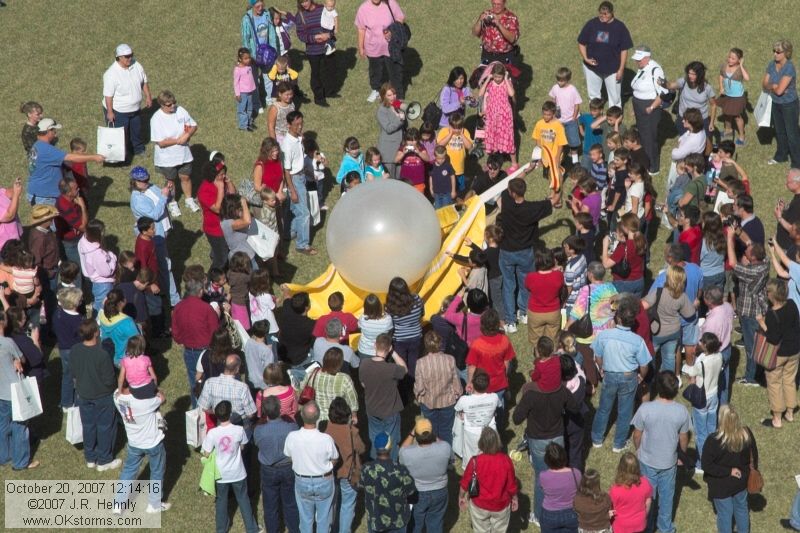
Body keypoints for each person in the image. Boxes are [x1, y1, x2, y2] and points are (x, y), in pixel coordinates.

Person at [513, 360, 580, 526]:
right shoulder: (562, 391)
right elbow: (575, 408)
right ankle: (563, 504)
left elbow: (516, 418)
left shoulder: (531, 395)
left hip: (537, 440)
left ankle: (537, 514)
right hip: (557, 437)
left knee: (541, 477)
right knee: (560, 471)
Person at [590, 293, 652, 452]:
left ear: (617, 318)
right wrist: (641, 376)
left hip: (609, 375)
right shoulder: (637, 341)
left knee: (604, 408)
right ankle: (619, 444)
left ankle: (597, 439)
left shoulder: (604, 335)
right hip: (629, 376)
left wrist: (601, 368)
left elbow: (597, 355)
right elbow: (645, 364)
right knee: (625, 411)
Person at [631, 371, 691, 533]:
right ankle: (665, 528)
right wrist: (682, 455)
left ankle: (647, 527)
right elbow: (683, 438)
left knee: (647, 497)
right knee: (666, 498)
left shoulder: (645, 408)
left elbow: (637, 434)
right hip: (669, 462)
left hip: (647, 460)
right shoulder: (681, 411)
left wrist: (638, 450)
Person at [497, 177, 555, 332]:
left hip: (507, 252)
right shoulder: (533, 208)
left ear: (512, 193)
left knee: (509, 286)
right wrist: (557, 180)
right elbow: (555, 199)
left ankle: (510, 322)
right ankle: (524, 313)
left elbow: (508, 188)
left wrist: (527, 171)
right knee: (524, 284)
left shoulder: (506, 202)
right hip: (525, 252)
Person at [202, 400, 260, 533]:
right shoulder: (239, 430)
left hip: (221, 474)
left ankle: (221, 529)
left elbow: (206, 452)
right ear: (230, 414)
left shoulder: (213, 433)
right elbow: (243, 446)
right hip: (238, 472)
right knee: (243, 499)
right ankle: (251, 528)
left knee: (221, 501)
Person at [112, 384, 170, 513]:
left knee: (128, 471)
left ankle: (118, 504)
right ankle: (154, 504)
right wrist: (153, 387)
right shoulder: (144, 401)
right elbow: (162, 398)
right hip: (153, 442)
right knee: (156, 472)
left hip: (134, 442)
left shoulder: (116, 397)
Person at [71, 319, 120, 471]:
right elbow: (109, 379)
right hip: (103, 396)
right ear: (96, 333)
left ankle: (90, 457)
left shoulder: (75, 349)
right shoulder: (102, 354)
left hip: (83, 394)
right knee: (105, 426)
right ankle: (104, 460)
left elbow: (73, 372)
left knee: (88, 425)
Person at [284, 401, 339, 533]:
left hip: (302, 481)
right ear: (318, 417)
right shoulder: (326, 439)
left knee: (305, 519)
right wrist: (328, 467)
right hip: (324, 480)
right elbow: (335, 458)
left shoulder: (292, 437)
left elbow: (288, 456)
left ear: (302, 416)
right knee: (324, 519)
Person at [129, 166, 180, 308]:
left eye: (147, 179)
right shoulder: (137, 200)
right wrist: (164, 196)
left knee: (162, 265)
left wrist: (168, 190)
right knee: (165, 266)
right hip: (155, 235)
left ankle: (164, 291)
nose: (146, 182)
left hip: (162, 231)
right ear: (134, 182)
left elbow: (165, 200)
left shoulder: (150, 187)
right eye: (142, 181)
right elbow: (154, 215)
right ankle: (174, 300)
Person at [701, 404, 757, 533]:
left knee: (725, 515)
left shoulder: (713, 441)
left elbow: (706, 465)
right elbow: (754, 457)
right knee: (741, 509)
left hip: (721, 485)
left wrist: (728, 471)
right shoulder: (746, 434)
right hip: (741, 481)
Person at [755, 278, 800, 428]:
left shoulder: (772, 314)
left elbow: (773, 339)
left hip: (779, 354)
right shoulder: (793, 305)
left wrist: (762, 323)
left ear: (771, 295)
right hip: (794, 351)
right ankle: (790, 412)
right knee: (789, 380)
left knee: (774, 384)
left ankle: (777, 419)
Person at [27, 119, 103, 206]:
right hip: (45, 196)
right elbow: (70, 157)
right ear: (48, 131)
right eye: (54, 130)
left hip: (40, 193)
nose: (55, 133)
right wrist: (94, 157)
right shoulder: (46, 149)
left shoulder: (37, 145)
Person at [726, 233, 769, 386]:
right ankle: (760, 372)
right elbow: (751, 243)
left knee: (751, 347)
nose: (744, 252)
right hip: (760, 309)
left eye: (746, 253)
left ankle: (751, 378)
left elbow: (732, 263)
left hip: (750, 312)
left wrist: (730, 239)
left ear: (752, 258)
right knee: (760, 343)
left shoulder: (751, 272)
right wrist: (739, 232)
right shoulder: (765, 263)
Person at [172, 270, 219, 405]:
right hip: (207, 351)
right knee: (210, 381)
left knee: (195, 383)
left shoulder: (178, 307)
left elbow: (176, 334)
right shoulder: (206, 308)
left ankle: (197, 413)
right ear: (199, 292)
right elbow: (215, 332)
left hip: (189, 351)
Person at [254, 395, 300, 533]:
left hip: (269, 470)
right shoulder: (291, 427)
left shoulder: (259, 430)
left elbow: (257, 444)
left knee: (270, 505)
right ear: (280, 410)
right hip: (288, 468)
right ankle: (294, 529)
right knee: (290, 502)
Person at [458, 427, 519, 532]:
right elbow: (511, 485)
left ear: (481, 443)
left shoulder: (475, 461)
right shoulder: (505, 460)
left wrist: (461, 497)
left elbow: (465, 483)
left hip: (479, 505)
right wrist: (515, 498)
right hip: (501, 505)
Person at [0, 309, 39, 471]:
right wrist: (16, 360)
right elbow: (22, 359)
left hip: (1, 392)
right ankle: (21, 461)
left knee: (2, 425)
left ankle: (4, 455)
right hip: (13, 391)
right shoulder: (8, 342)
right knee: (20, 426)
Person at [360, 333, 407, 461]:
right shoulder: (391, 368)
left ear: (374, 345)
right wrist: (394, 353)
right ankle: (390, 465)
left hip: (372, 409)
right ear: (389, 348)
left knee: (375, 438)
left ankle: (377, 464)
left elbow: (363, 384)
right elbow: (404, 369)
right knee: (391, 440)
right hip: (390, 411)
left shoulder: (364, 364)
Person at [399, 418, 451, 533]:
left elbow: (401, 450)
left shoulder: (407, 453)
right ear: (431, 433)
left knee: (415, 524)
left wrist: (412, 433)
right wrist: (432, 433)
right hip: (440, 491)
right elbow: (447, 453)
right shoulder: (445, 447)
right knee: (435, 523)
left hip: (417, 493)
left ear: (416, 435)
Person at [150, 90, 198, 213]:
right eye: (169, 104)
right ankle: (172, 202)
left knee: (185, 177)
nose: (173, 106)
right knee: (170, 180)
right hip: (167, 158)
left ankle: (189, 199)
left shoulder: (180, 110)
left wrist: (187, 135)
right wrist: (178, 140)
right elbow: (160, 142)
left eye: (174, 103)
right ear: (162, 105)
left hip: (184, 154)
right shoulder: (156, 119)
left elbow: (193, 125)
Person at [577, 1, 633, 108]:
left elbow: (624, 49)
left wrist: (621, 69)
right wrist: (586, 58)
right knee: (593, 95)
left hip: (613, 69)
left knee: (615, 98)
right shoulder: (592, 24)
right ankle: (595, 117)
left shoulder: (620, 27)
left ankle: (614, 119)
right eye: (601, 13)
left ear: (612, 13)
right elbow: (581, 42)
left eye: (606, 14)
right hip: (592, 68)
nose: (603, 16)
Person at [642, 265, 696, 375]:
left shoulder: (658, 292)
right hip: (674, 332)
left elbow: (643, 306)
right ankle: (668, 381)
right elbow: (690, 314)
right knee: (669, 357)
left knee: (650, 356)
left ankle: (649, 378)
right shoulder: (682, 296)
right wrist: (695, 305)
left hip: (657, 332)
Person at [413, 331, 463, 447]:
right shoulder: (450, 359)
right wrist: (458, 393)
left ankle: (434, 454)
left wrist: (417, 394)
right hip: (448, 400)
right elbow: (456, 381)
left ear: (426, 345)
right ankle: (448, 457)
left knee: (432, 430)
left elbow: (419, 387)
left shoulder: (421, 363)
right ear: (439, 343)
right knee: (447, 430)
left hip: (428, 402)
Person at [102, 44, 152, 158]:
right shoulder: (111, 74)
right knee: (121, 135)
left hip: (135, 109)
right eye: (126, 56)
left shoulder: (137, 65)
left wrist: (148, 96)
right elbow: (108, 95)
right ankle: (122, 157)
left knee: (136, 130)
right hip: (119, 111)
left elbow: (143, 81)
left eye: (131, 55)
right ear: (119, 57)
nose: (130, 58)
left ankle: (138, 149)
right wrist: (110, 112)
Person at [362, 431, 416, 533]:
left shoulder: (366, 469)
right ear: (390, 447)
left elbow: (360, 484)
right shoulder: (400, 470)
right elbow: (411, 491)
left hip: (375, 520)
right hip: (397, 520)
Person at [324, 397, 364, 533]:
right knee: (347, 505)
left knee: (332, 505)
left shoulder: (326, 429)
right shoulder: (351, 431)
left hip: (331, 473)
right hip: (348, 473)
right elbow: (361, 448)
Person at [280, 110, 316, 255]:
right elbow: (286, 170)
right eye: (296, 125)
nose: (300, 127)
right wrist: (292, 190)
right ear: (288, 125)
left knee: (294, 210)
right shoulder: (287, 146)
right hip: (295, 179)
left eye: (301, 123)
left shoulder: (298, 138)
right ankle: (302, 245)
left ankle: (290, 233)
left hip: (300, 176)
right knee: (304, 213)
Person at [356, 0, 407, 102]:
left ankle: (398, 97)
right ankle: (376, 89)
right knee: (375, 71)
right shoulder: (363, 9)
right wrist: (361, 48)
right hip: (373, 48)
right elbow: (361, 29)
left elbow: (400, 18)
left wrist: (392, 30)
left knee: (395, 72)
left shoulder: (390, 3)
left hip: (391, 47)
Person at [630, 45, 668, 175]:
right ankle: (643, 161)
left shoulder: (655, 70)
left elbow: (663, 92)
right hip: (639, 105)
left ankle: (653, 167)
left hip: (649, 107)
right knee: (643, 135)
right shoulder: (642, 68)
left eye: (640, 59)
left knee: (649, 138)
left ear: (647, 57)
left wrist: (651, 107)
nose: (637, 62)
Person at [763, 39, 800, 167]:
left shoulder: (789, 68)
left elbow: (779, 91)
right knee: (779, 132)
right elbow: (764, 84)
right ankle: (781, 156)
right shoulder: (771, 64)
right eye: (774, 51)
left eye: (778, 52)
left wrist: (773, 86)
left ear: (786, 53)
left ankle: (797, 163)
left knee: (792, 134)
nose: (775, 54)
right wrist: (774, 85)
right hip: (776, 103)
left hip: (789, 104)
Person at [198, 354, 257, 430]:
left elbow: (204, 407)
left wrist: (219, 414)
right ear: (237, 368)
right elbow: (250, 414)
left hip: (219, 425)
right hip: (239, 427)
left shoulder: (209, 382)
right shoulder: (243, 387)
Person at [296, 0, 337, 106]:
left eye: (305, 1)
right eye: (301, 2)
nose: (304, 4)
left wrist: (328, 35)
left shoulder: (323, 9)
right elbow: (301, 35)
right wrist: (314, 38)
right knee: (316, 74)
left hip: (328, 47)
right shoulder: (300, 15)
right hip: (313, 50)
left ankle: (329, 91)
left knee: (331, 70)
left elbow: (333, 25)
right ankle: (319, 98)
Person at [300, 347, 358, 423]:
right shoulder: (345, 379)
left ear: (324, 359)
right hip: (338, 419)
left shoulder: (312, 372)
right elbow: (352, 401)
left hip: (316, 418)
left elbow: (301, 389)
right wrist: (354, 415)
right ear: (340, 362)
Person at [196, 160, 236, 270]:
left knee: (226, 252)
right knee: (221, 258)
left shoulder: (222, 182)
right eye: (220, 175)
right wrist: (221, 188)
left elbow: (233, 196)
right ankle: (212, 279)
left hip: (226, 225)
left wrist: (229, 182)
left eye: (224, 174)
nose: (223, 177)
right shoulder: (204, 190)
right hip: (215, 229)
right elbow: (217, 209)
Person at [241, 0, 279, 111]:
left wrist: (274, 51)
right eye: (257, 6)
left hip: (267, 53)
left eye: (262, 5)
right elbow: (245, 39)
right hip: (253, 55)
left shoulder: (266, 15)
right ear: (252, 6)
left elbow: (271, 34)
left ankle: (270, 99)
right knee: (254, 80)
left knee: (268, 77)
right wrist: (248, 57)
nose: (260, 8)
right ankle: (257, 104)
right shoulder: (246, 19)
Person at [524, 247, 565, 351]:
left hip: (535, 312)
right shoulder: (558, 275)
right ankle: (552, 358)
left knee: (536, 341)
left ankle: (539, 358)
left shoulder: (531, 277)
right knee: (553, 339)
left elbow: (528, 287)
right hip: (553, 312)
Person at [480, 62, 518, 171]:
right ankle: (491, 162)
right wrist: (488, 79)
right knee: (492, 138)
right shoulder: (490, 83)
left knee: (508, 138)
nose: (497, 79)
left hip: (504, 117)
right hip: (492, 117)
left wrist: (506, 78)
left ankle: (514, 163)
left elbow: (511, 94)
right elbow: (481, 94)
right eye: (495, 76)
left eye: (499, 76)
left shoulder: (506, 83)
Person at [539, 443, 581, 532]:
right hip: (572, 512)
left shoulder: (543, 476)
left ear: (547, 461)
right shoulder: (576, 473)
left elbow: (542, 490)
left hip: (549, 514)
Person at [602, 213, 646, 296]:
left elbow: (606, 264)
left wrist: (605, 245)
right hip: (639, 280)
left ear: (626, 228)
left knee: (621, 307)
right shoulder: (642, 240)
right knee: (634, 307)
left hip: (625, 283)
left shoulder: (623, 247)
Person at [609, 452, 653, 533]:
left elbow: (610, 507)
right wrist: (644, 515)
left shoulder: (615, 489)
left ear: (620, 468)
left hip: (621, 527)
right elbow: (648, 502)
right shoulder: (645, 483)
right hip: (639, 524)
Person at [472, 0, 520, 65]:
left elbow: (512, 39)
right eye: (494, 4)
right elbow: (475, 33)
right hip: (487, 55)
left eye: (499, 4)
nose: (496, 6)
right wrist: (480, 21)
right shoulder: (486, 14)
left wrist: (499, 25)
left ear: (504, 3)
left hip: (505, 56)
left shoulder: (511, 18)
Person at [718, 48, 750, 145]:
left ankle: (741, 136)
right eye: (729, 57)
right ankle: (728, 130)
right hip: (727, 95)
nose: (730, 60)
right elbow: (721, 76)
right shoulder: (724, 66)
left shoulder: (740, 69)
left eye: (733, 58)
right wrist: (721, 87)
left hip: (737, 97)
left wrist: (741, 65)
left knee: (737, 116)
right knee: (727, 113)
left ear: (739, 60)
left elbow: (747, 78)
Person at [376, 83, 406, 179]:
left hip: (399, 150)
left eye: (394, 94)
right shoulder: (382, 110)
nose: (393, 97)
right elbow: (388, 128)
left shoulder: (397, 107)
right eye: (389, 95)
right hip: (389, 152)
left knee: (399, 178)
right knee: (390, 180)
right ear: (383, 96)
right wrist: (400, 120)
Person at [573, 469, 612, 533]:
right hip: (603, 528)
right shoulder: (605, 498)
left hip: (585, 529)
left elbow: (576, 511)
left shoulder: (577, 499)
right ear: (597, 483)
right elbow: (608, 511)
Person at [357, 293, 393, 359]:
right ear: (379, 306)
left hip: (364, 350)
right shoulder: (387, 319)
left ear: (365, 307)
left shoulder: (362, 318)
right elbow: (390, 331)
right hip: (381, 351)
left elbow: (359, 328)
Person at [775, 168, 800, 250]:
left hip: (789, 247)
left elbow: (794, 229)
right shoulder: (797, 198)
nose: (786, 184)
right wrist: (785, 209)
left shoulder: (797, 204)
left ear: (796, 183)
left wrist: (779, 217)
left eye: (788, 182)